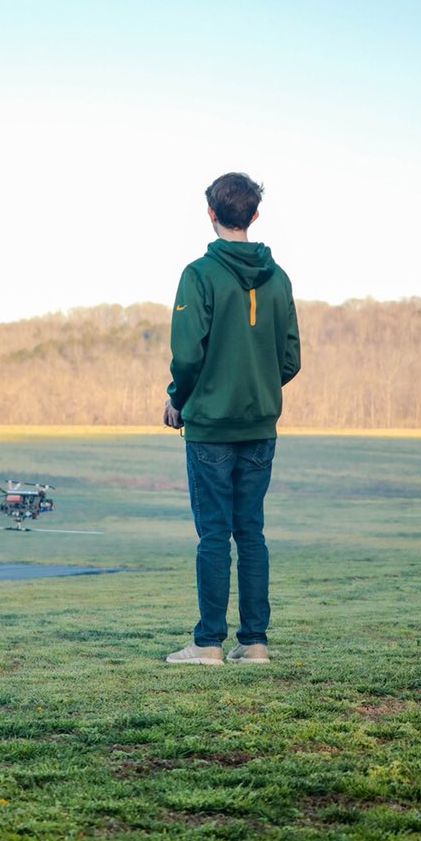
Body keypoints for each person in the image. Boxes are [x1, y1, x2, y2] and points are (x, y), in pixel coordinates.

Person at [164, 172, 300, 665]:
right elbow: (290, 359)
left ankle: (207, 645)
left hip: (210, 428)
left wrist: (177, 398)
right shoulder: (279, 278)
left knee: (214, 537)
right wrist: (256, 387)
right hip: (261, 426)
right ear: (254, 215)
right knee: (251, 534)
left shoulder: (199, 274)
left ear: (211, 213)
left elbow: (187, 355)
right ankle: (255, 642)